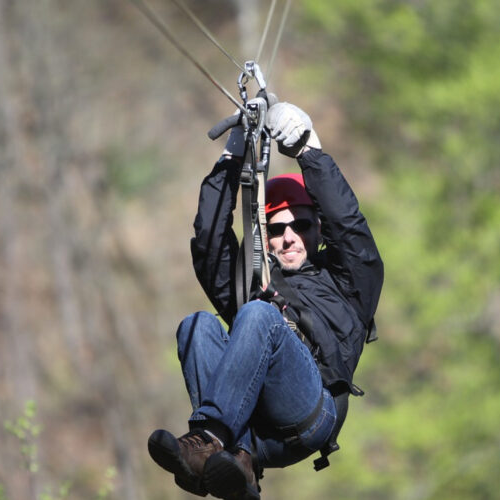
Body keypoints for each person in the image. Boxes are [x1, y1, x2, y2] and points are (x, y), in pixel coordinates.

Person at [147, 102, 383, 499]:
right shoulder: (250, 283)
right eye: (277, 228)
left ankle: (208, 443)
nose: (290, 236)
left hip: (310, 410)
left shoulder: (346, 283)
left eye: (301, 225)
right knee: (197, 325)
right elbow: (209, 244)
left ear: (317, 229)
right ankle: (237, 466)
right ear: (265, 236)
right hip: (254, 429)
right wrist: (230, 158)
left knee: (258, 315)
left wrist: (309, 151)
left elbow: (351, 231)